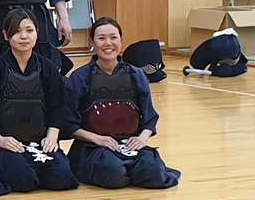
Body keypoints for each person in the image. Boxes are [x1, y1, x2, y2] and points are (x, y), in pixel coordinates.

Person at [68, 17, 181, 190]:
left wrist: (142, 139)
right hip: (93, 147)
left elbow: (149, 118)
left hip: (129, 144)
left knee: (154, 174)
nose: (108, 43)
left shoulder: (136, 75)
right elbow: (69, 124)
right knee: (114, 174)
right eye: (101, 38)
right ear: (92, 42)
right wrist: (97, 139)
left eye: (113, 37)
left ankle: (133, 168)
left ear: (121, 40)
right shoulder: (80, 77)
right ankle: (126, 170)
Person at [0, 8, 78, 193]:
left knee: (62, 177)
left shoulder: (47, 68)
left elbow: (58, 106)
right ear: (6, 35)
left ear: (37, 33)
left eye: (29, 30)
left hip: (40, 140)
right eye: (17, 31)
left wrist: (52, 138)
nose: (24, 36)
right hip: (4, 142)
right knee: (24, 180)